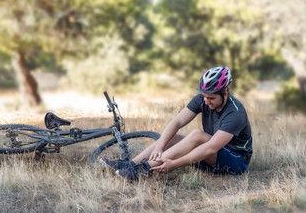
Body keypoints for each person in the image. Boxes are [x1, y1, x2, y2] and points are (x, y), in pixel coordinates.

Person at [101, 66, 253, 181]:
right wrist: (160, 146)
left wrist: (175, 164)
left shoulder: (236, 113)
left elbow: (211, 147)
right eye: (204, 97)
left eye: (211, 98)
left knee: (197, 135)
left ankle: (144, 169)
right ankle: (131, 164)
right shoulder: (203, 99)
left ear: (225, 92)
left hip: (236, 162)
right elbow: (178, 121)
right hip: (211, 154)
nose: (206, 102)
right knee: (171, 137)